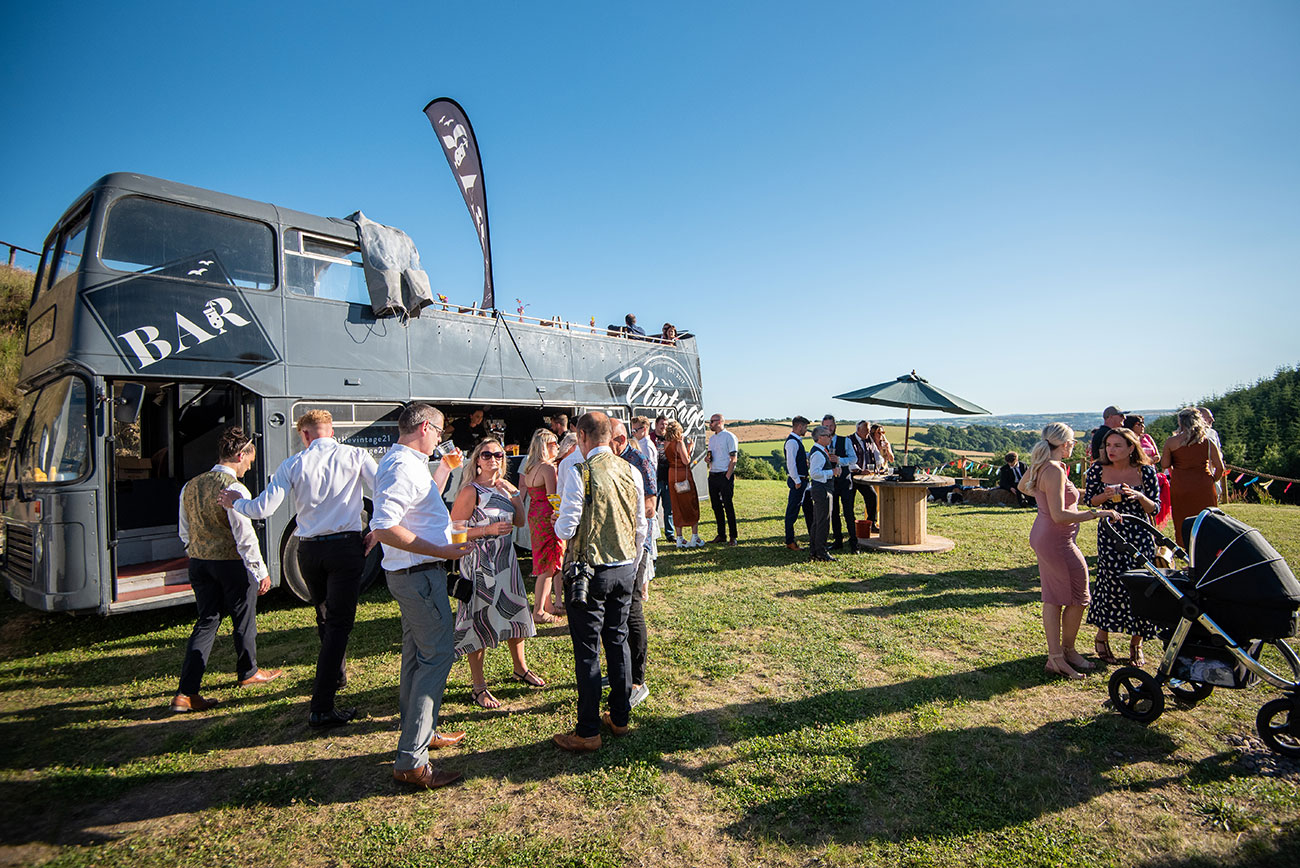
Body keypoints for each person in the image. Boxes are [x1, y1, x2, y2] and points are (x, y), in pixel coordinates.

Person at [219, 409, 375, 728]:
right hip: (345, 545)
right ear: (330, 431)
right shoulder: (356, 455)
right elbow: (384, 490)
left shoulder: (294, 463)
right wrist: (378, 528)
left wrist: (235, 502)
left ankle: (337, 676)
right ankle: (321, 705)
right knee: (339, 624)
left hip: (308, 549)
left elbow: (263, 508)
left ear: (304, 434)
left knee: (324, 614)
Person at [368, 403, 473, 790]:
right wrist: (443, 552)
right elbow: (384, 525)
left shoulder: (406, 461)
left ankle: (421, 731)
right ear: (425, 427)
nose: (442, 438)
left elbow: (420, 501)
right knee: (437, 655)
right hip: (418, 576)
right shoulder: (401, 465)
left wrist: (445, 467)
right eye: (440, 430)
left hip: (412, 574)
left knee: (416, 656)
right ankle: (412, 760)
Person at [553, 412, 648, 751]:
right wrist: (634, 562)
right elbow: (641, 525)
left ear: (582, 437)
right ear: (610, 436)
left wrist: (557, 520)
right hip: (625, 567)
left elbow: (566, 527)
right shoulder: (631, 471)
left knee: (588, 650)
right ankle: (620, 718)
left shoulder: (582, 472)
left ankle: (588, 730)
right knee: (618, 641)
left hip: (590, 571)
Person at [171, 427, 282, 713]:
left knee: (207, 621)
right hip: (231, 563)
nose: (249, 466)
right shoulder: (233, 488)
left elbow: (184, 530)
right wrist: (260, 571)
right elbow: (244, 535)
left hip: (199, 562)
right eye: (248, 460)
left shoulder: (190, 486)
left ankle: (186, 692)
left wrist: (195, 550)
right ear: (239, 454)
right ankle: (249, 671)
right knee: (243, 618)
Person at [1019, 423, 1122, 680]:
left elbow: (1025, 487)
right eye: (1073, 441)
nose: (1074, 445)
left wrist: (1092, 496)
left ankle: (1063, 653)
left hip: (1046, 536)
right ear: (1064, 444)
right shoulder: (1052, 469)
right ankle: (1061, 654)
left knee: (1055, 597)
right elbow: (1060, 515)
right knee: (1078, 594)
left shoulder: (1044, 465)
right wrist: (1098, 513)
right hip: (1056, 540)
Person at [450, 438, 542, 708]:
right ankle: (478, 687)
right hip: (479, 563)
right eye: (487, 455)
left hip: (506, 561)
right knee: (478, 621)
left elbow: (520, 521)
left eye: (498, 455)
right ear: (477, 460)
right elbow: (453, 532)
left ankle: (520, 668)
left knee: (514, 613)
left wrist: (514, 494)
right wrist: (485, 531)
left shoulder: (504, 488)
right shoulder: (470, 491)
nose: (493, 459)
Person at [1083, 427, 1163, 666]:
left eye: (1117, 446)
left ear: (1131, 448)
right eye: (1108, 446)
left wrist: (1138, 497)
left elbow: (1155, 508)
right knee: (1111, 582)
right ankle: (1101, 636)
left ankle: (1136, 643)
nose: (1111, 450)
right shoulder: (1098, 469)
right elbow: (1090, 501)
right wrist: (1106, 496)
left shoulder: (1146, 470)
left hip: (1139, 533)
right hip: (1111, 534)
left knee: (1141, 585)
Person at [612, 418, 657, 709]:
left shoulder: (638, 459)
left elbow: (651, 505)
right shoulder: (613, 460)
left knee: (633, 608)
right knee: (619, 609)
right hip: (617, 546)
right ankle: (622, 672)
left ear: (618, 439)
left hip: (636, 545)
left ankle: (637, 680)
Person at [1162, 407, 1226, 547]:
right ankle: (1208, 554)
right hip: (1204, 485)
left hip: (1180, 485)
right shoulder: (1208, 442)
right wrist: (1212, 480)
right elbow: (1220, 467)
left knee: (1182, 520)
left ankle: (1188, 555)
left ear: (1181, 422)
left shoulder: (1171, 442)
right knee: (1207, 520)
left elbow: (1165, 463)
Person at [521, 428, 564, 623]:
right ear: (545, 447)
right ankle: (538, 610)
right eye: (554, 443)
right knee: (548, 565)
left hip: (535, 514)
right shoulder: (547, 468)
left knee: (542, 561)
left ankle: (547, 605)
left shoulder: (531, 467)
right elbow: (553, 497)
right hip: (548, 517)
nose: (558, 447)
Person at [1125, 414, 1171, 528]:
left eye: (1142, 424)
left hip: (1150, 473)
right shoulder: (1127, 439)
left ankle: (1154, 530)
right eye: (1138, 424)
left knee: (1152, 502)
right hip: (1134, 475)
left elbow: (1157, 456)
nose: (1142, 426)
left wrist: (1146, 461)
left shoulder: (1147, 438)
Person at [661, 419, 702, 547]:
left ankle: (679, 538)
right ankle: (694, 537)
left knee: (676, 504)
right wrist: (690, 448)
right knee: (691, 502)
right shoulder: (679, 443)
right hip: (682, 474)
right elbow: (686, 461)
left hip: (672, 474)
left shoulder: (666, 443)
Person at [825, 415, 859, 553]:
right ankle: (837, 541)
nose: (829, 428)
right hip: (830, 482)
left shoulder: (845, 441)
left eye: (831, 426)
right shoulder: (821, 442)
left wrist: (839, 460)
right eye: (826, 426)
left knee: (848, 513)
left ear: (835, 426)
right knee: (834, 513)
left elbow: (853, 458)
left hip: (845, 481)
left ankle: (854, 543)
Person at [706, 414, 739, 545]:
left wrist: (728, 476)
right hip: (713, 474)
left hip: (724, 475)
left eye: (712, 422)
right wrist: (708, 460)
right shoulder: (712, 439)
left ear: (719, 422)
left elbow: (733, 458)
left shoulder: (729, 437)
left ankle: (733, 536)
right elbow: (712, 456)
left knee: (728, 506)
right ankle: (721, 535)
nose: (710, 424)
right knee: (716, 506)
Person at [783, 416, 814, 550]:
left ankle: (814, 538)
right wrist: (796, 480)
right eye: (805, 427)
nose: (806, 430)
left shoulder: (796, 441)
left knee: (809, 511)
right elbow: (791, 463)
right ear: (799, 426)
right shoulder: (792, 442)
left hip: (803, 481)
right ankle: (790, 541)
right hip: (799, 481)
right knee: (792, 512)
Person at [806, 425, 837, 562]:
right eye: (828, 435)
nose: (830, 437)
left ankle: (815, 550)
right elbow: (814, 473)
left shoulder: (820, 451)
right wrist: (832, 473)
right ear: (820, 438)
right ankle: (821, 552)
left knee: (818, 521)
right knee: (823, 522)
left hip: (821, 489)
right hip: (822, 489)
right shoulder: (818, 453)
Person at [851, 421, 880, 526]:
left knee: (872, 496)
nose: (868, 433)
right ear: (858, 430)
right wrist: (859, 470)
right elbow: (849, 460)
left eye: (868, 431)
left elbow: (876, 454)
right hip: (851, 476)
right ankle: (852, 527)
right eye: (866, 431)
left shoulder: (869, 440)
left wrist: (878, 466)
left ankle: (872, 523)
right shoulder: (849, 440)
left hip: (865, 477)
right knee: (850, 502)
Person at [651, 415, 675, 540]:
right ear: (656, 424)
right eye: (662, 424)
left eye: (666, 425)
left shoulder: (669, 438)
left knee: (669, 508)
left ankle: (670, 533)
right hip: (654, 478)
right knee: (653, 508)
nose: (664, 427)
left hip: (668, 477)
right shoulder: (650, 438)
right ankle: (653, 533)